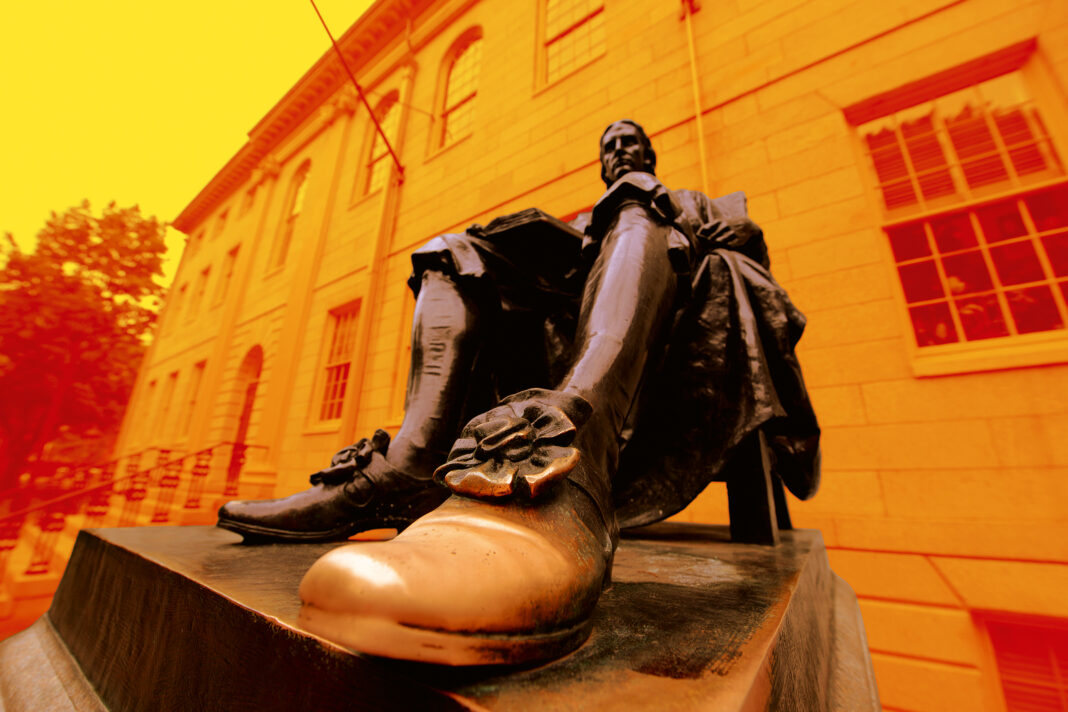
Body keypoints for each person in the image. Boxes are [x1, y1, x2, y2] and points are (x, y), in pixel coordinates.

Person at [218, 120, 820, 665]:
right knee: (452, 252)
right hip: (566, 314)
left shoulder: (693, 204)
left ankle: (576, 439)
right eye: (608, 145)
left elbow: (750, 254)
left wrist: (677, 215)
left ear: (650, 151)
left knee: (635, 207)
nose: (618, 151)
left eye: (629, 143)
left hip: (665, 323)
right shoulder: (583, 223)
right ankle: (411, 465)